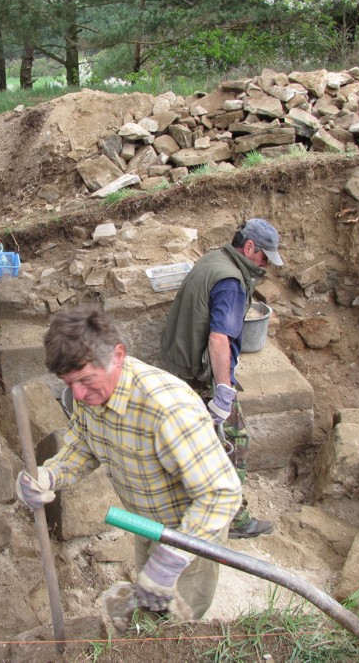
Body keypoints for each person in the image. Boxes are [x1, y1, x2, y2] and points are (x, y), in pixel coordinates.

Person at [16, 305, 242, 623]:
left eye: (84, 380)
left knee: (176, 624)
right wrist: (49, 474)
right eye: (69, 384)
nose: (78, 394)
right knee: (149, 604)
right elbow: (83, 444)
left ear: (118, 356)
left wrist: (170, 561)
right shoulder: (90, 395)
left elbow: (222, 495)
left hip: (190, 536)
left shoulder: (167, 410)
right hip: (146, 522)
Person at [159, 218, 284, 539]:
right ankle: (234, 519)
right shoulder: (230, 281)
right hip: (201, 377)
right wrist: (224, 390)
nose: (266, 264)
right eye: (264, 256)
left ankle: (194, 502)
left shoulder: (215, 259)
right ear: (250, 247)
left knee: (197, 443)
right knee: (233, 443)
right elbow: (219, 339)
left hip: (179, 366)